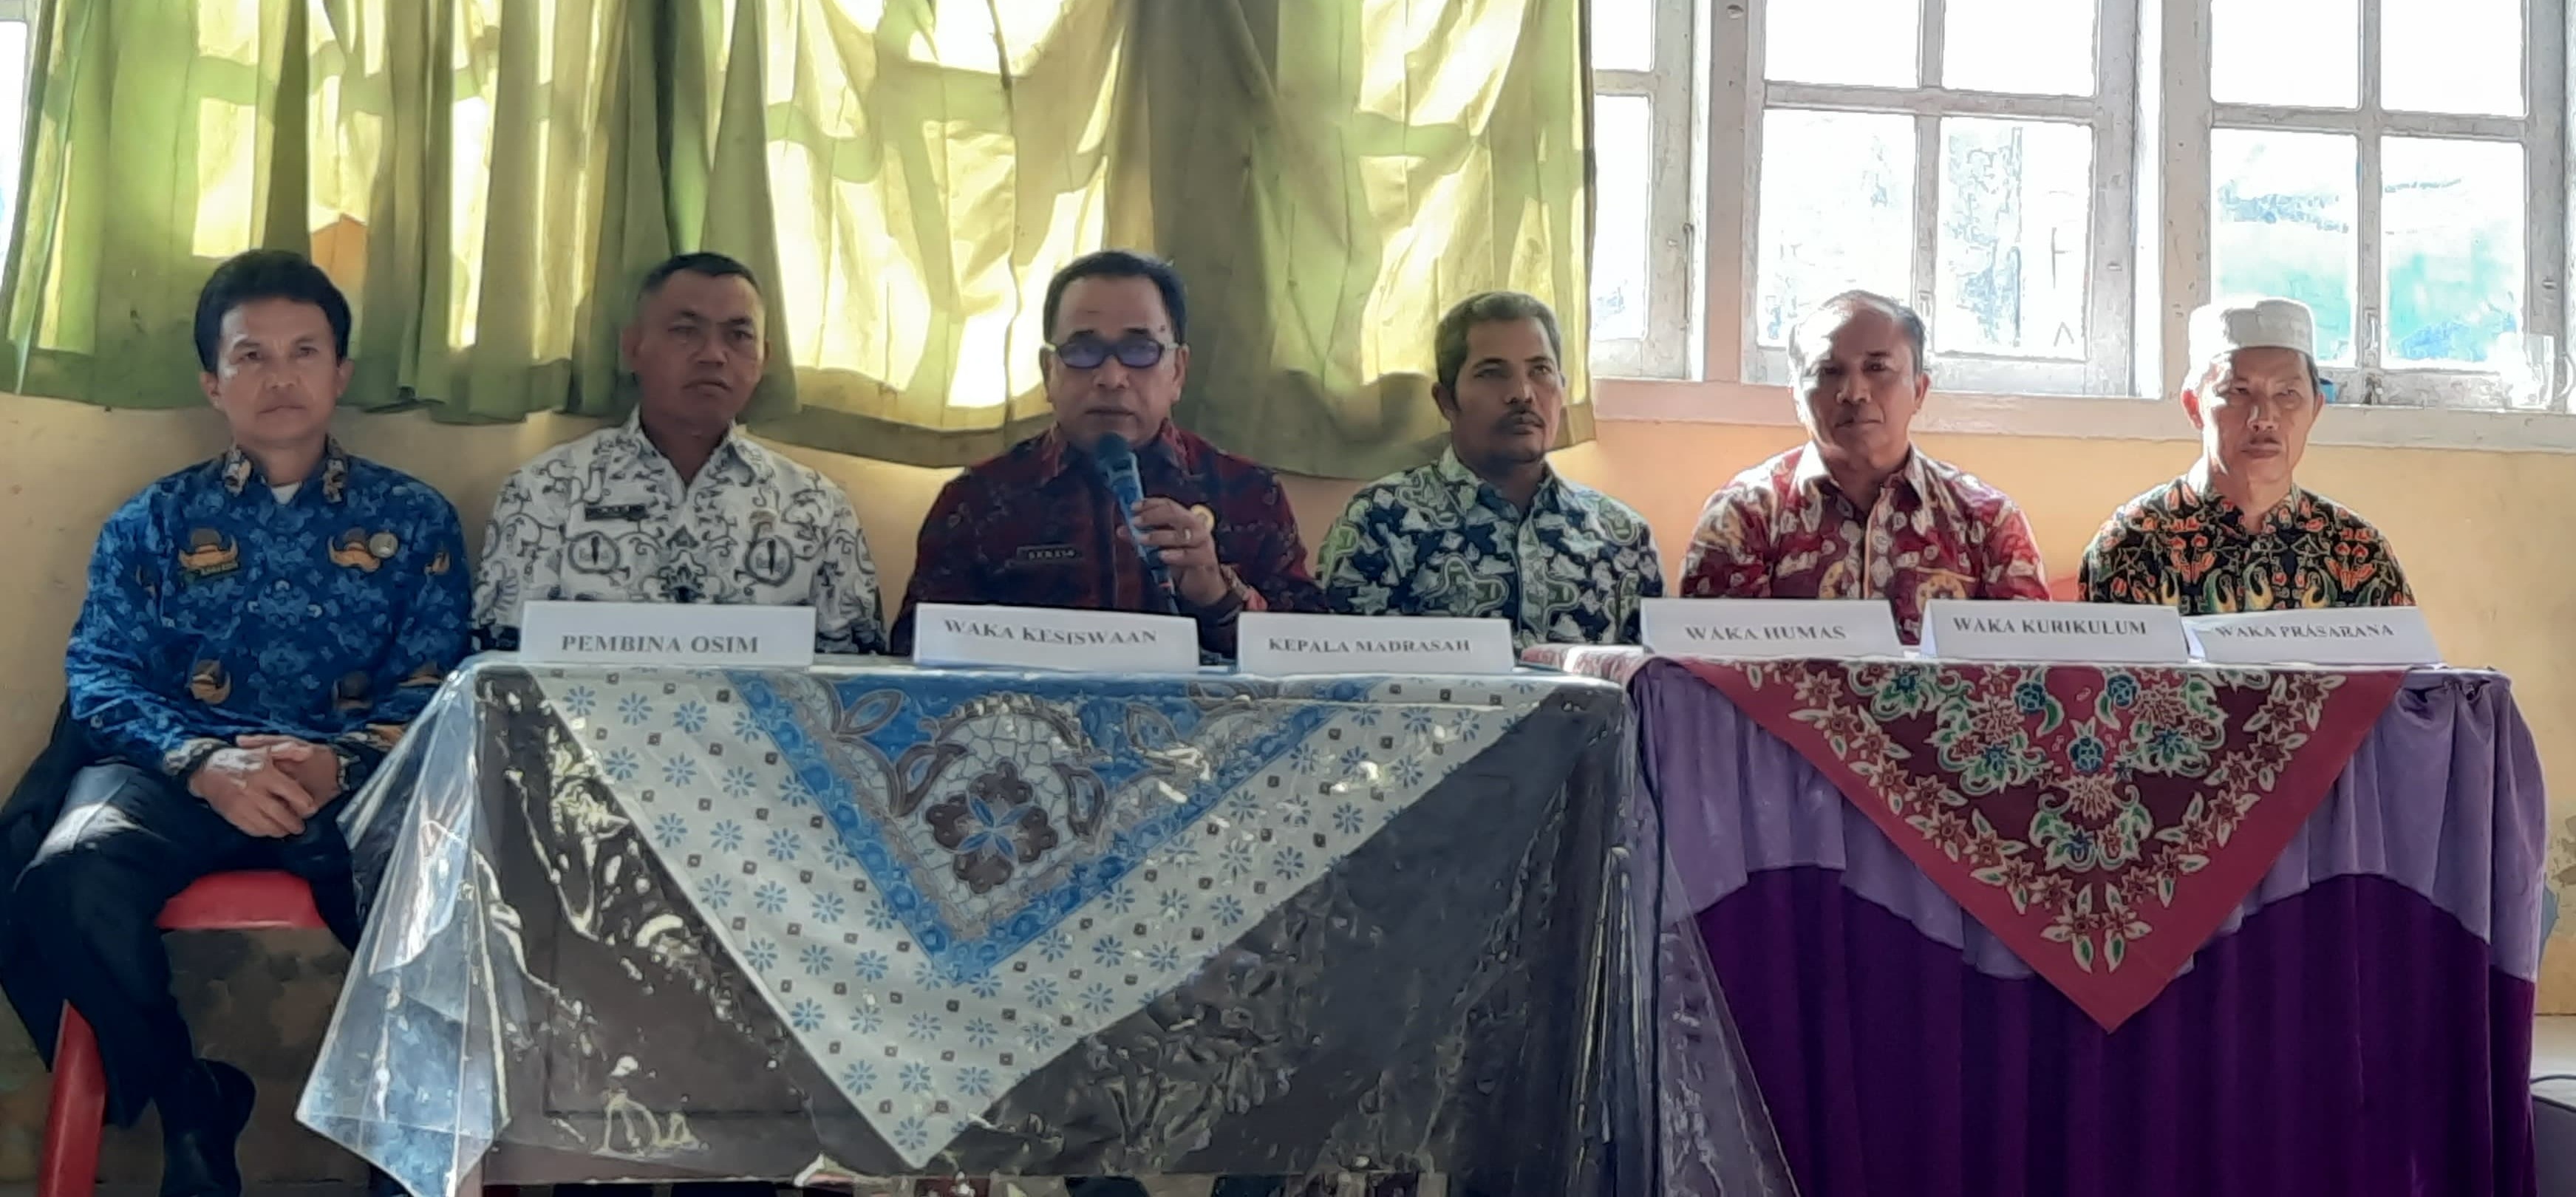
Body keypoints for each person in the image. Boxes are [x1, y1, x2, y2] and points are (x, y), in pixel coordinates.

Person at [0, 250, 470, 1196]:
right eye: (251, 355)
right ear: (213, 383)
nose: (279, 376)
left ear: (341, 372)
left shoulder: (414, 521)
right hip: (177, 774)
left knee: (438, 896)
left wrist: (341, 761)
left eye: (305, 352)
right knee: (65, 877)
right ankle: (192, 1101)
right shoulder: (154, 520)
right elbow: (101, 674)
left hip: (350, 781)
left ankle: (404, 1166)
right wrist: (202, 761)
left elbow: (440, 677)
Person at [891, 250, 1323, 655]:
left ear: (1177, 372)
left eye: (1139, 351)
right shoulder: (977, 500)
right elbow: (914, 655)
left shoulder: (1248, 493)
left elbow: (1313, 660)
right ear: (1048, 372)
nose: (1112, 378)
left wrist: (1217, 594)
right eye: (1083, 351)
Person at [474, 251, 885, 654]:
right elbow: (501, 668)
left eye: (739, 336)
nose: (713, 355)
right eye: (686, 331)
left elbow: (855, 677)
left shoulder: (817, 507)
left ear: (764, 359)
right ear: (633, 348)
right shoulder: (547, 492)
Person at [1680, 290, 2048, 641]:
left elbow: (2029, 669)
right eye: (1828, 370)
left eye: (1877, 367)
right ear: (1796, 397)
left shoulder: (1987, 522)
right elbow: (1716, 672)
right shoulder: (1743, 516)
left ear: (1919, 390)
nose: (1854, 392)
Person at [1318, 291, 1662, 647]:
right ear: (1446, 401)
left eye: (1541, 371)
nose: (1523, 394)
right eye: (1493, 373)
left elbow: (1651, 678)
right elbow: (1345, 669)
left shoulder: (1622, 537)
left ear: (1562, 388)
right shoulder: (1381, 521)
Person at [2081, 297, 2413, 613]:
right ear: (2194, 406)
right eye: (2238, 392)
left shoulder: (2358, 552)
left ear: (2315, 409)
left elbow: (2398, 656)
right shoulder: (2131, 545)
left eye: (2287, 393)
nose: (2264, 417)